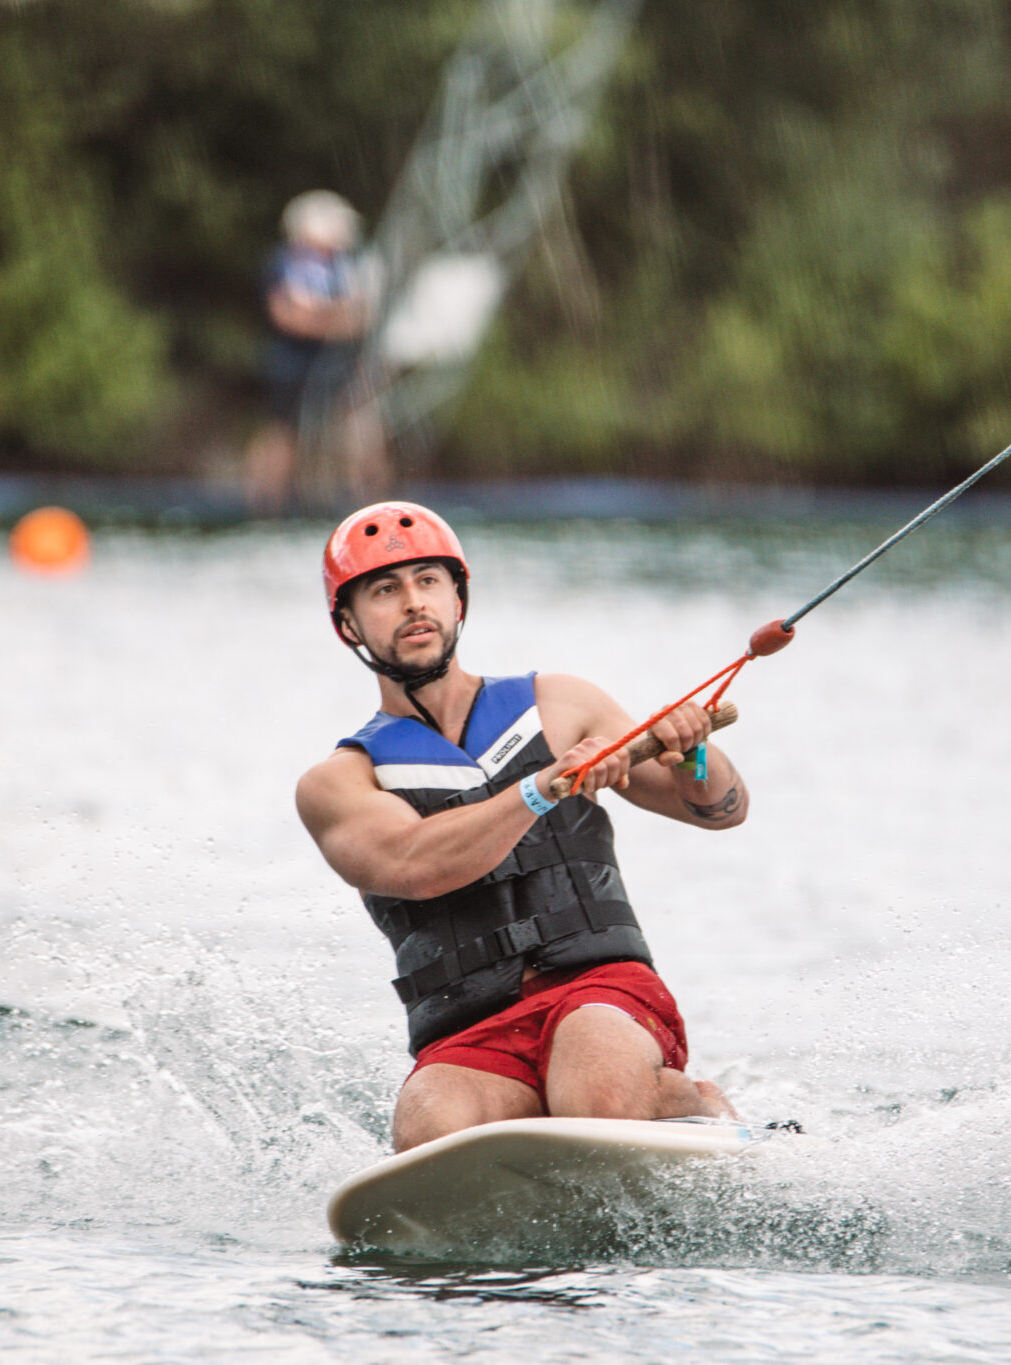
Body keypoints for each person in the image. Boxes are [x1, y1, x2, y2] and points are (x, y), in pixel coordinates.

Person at [296, 502, 749, 1152]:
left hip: (599, 991)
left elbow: (720, 809)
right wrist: (539, 788)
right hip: (471, 1031)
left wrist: (693, 752)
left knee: (594, 1090)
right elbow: (414, 861)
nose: (412, 603)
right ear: (349, 623)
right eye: (385, 590)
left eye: (429, 581)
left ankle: (693, 1100)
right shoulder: (338, 782)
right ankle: (544, 1118)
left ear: (459, 598)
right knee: (428, 1126)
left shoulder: (561, 705)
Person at [242, 190, 385, 515]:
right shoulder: (284, 262)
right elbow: (287, 316)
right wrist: (333, 319)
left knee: (360, 428)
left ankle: (368, 506)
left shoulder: (347, 265)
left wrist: (321, 317)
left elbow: (361, 316)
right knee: (282, 431)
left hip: (341, 361)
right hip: (291, 363)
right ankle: (265, 505)